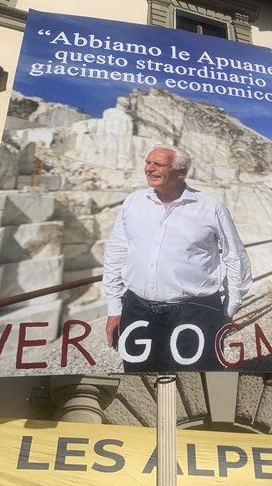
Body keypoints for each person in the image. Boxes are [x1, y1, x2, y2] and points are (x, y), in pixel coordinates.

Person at [103, 145, 252, 372]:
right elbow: (117, 252)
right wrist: (115, 307)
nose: (149, 169)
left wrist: (228, 310)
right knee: (138, 375)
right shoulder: (133, 202)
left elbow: (236, 257)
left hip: (195, 312)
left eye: (158, 164)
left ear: (180, 173)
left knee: (196, 378)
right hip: (137, 309)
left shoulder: (211, 208)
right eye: (148, 162)